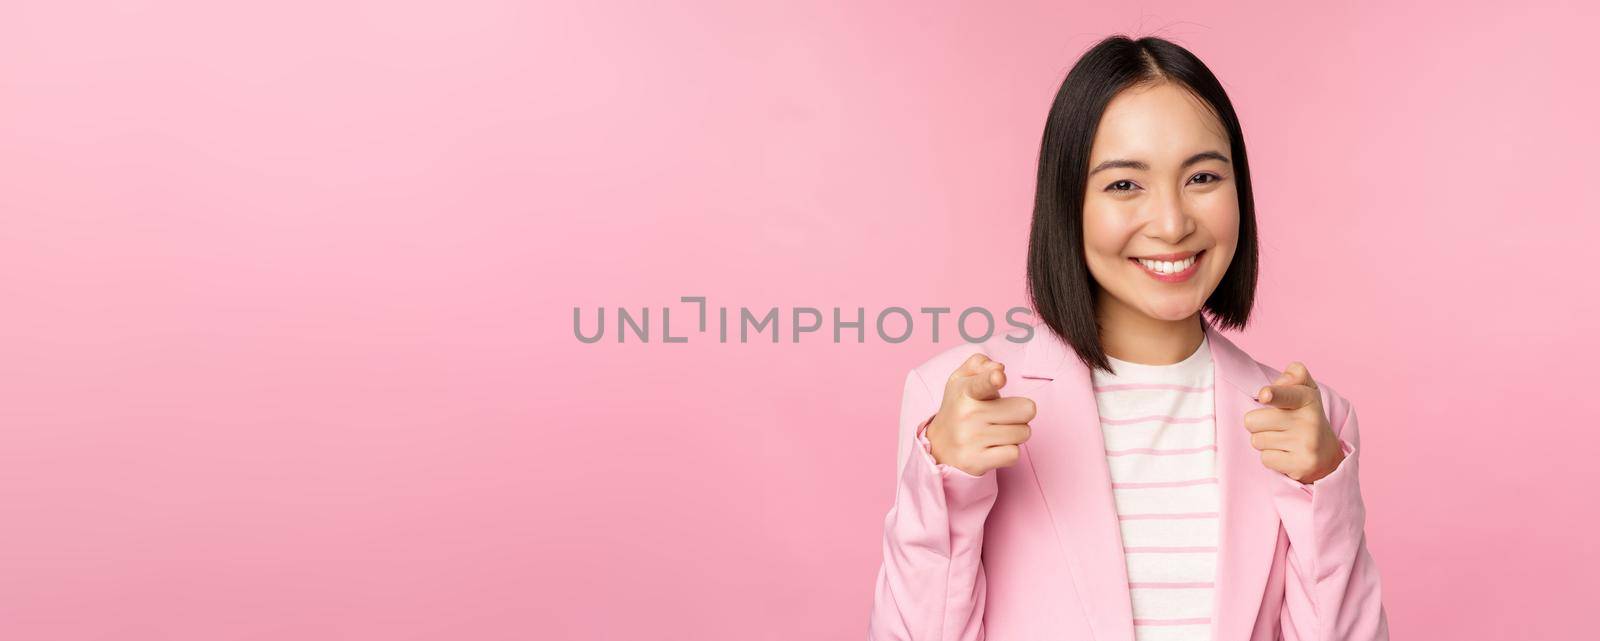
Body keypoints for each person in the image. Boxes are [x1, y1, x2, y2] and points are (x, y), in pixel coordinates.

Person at [866, 35, 1388, 641]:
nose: (1171, 223)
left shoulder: (1315, 427)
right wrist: (947, 482)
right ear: (1068, 204)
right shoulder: (955, 404)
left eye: (1202, 177)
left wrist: (1321, 490)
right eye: (1124, 185)